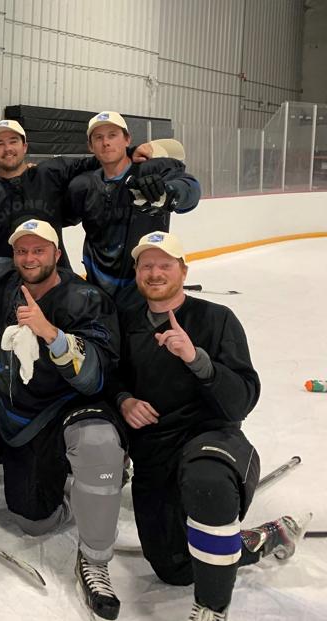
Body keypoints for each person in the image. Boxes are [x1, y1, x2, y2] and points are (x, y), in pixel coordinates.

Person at [113, 231, 309, 621]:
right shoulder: (126, 321)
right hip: (155, 449)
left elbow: (242, 400)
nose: (155, 273)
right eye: (147, 265)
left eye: (165, 265)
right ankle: (263, 537)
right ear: (136, 272)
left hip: (211, 437)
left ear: (183, 271)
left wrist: (196, 359)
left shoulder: (217, 319)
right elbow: (110, 377)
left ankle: (211, 609)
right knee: (174, 569)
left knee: (208, 482)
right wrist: (124, 400)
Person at [0, 219, 125, 620]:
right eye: (22, 251)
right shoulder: (1, 276)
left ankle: (94, 558)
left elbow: (94, 378)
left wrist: (53, 335)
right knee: (32, 521)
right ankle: (67, 480)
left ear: (57, 254)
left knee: (98, 443)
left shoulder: (87, 299)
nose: (29, 258)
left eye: (39, 250)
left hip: (67, 409)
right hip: (19, 422)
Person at [0, 119, 152, 263]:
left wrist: (130, 152)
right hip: (3, 283)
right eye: (0, 144)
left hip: (53, 279)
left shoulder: (50, 173)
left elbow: (93, 161)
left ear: (25, 146)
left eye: (13, 141)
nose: (7, 148)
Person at [64, 111, 201, 309]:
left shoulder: (152, 170)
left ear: (127, 139)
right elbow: (60, 216)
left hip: (145, 290)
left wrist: (170, 192)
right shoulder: (82, 186)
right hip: (99, 290)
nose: (106, 142)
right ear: (90, 146)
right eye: (98, 137)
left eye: (112, 135)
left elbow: (191, 188)